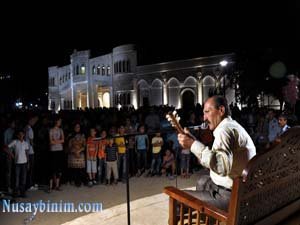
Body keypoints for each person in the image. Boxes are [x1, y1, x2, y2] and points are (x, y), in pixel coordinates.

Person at [178, 95, 256, 211]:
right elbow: (216, 158)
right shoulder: (231, 125)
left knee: (178, 199)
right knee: (202, 181)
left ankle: (209, 215)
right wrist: (193, 142)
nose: (204, 118)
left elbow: (220, 166)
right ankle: (207, 217)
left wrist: (192, 145)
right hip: (239, 189)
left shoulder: (224, 131)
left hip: (231, 197)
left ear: (221, 110)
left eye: (207, 112)